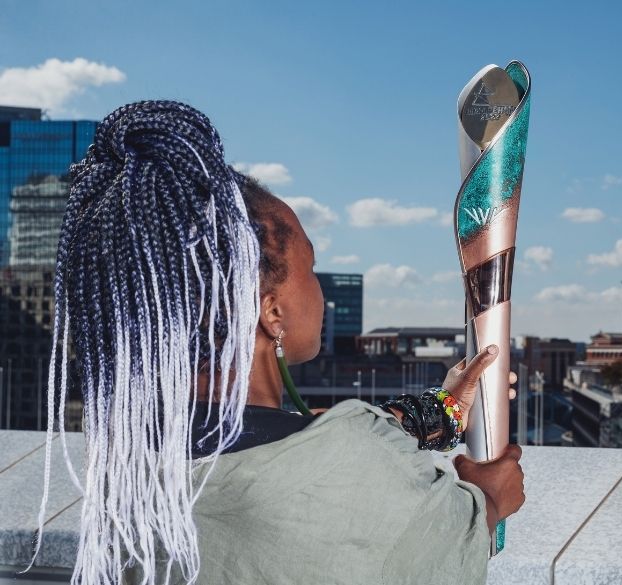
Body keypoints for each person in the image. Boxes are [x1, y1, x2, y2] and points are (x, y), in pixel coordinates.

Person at [33, 100, 525, 585]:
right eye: (308, 268)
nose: (321, 292)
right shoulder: (355, 473)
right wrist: (487, 502)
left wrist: (442, 409)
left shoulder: (134, 458)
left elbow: (280, 444)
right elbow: (433, 547)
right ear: (271, 310)